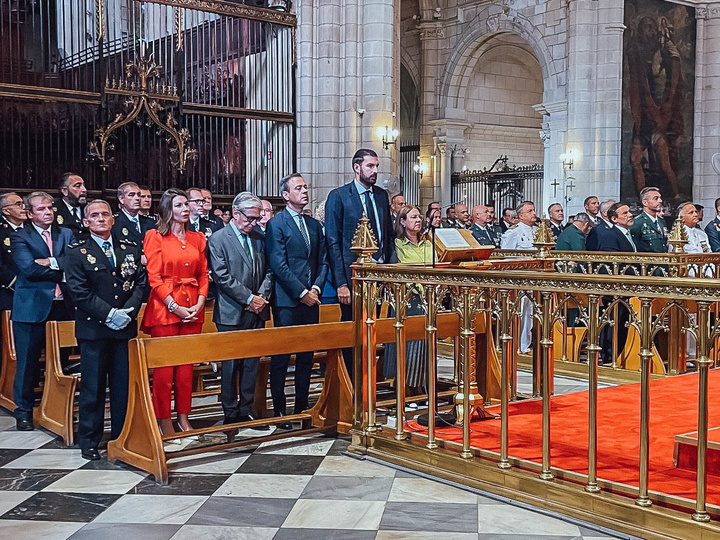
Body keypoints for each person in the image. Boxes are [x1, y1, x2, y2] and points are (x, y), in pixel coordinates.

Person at [64, 200, 146, 460]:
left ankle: (121, 437)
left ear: (113, 219)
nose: (100, 219)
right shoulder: (76, 251)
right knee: (93, 387)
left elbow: (139, 284)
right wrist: (110, 314)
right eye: (94, 215)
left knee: (122, 387)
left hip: (124, 328)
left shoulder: (129, 248)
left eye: (105, 214)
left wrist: (127, 313)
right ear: (86, 222)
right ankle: (89, 439)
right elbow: (78, 292)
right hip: (94, 330)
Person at [140, 189, 209, 437]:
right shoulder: (155, 236)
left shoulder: (197, 237)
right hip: (165, 308)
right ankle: (163, 418)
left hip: (193, 305)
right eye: (179, 205)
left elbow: (203, 274)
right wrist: (174, 306)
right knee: (165, 370)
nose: (185, 209)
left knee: (186, 367)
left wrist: (200, 302)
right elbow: (154, 277)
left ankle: (183, 416)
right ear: (168, 209)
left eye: (186, 204)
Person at [325, 148, 395, 376]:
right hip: (352, 278)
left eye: (376, 166)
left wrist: (389, 270)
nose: (375, 171)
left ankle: (369, 379)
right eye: (370, 166)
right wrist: (341, 283)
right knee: (353, 331)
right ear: (357, 167)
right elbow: (334, 242)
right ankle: (352, 382)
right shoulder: (339, 196)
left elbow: (388, 236)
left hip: (378, 276)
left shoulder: (381, 195)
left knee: (373, 330)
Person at [266, 174, 328, 422]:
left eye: (305, 187)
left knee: (306, 357)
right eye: (298, 188)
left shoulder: (313, 225)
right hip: (287, 301)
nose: (304, 191)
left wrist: (315, 289)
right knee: (281, 357)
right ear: (285, 195)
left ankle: (302, 407)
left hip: (312, 299)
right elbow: (278, 264)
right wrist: (301, 293)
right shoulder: (277, 224)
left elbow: (322, 260)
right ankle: (280, 410)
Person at [11, 192, 74, 430]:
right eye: (41, 209)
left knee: (62, 362)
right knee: (28, 363)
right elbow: (28, 269)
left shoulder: (65, 233)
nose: (48, 212)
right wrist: (61, 266)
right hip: (32, 308)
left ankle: (58, 408)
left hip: (62, 307)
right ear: (29, 214)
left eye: (50, 208)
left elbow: (75, 262)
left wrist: (51, 262)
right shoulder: (20, 236)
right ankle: (24, 411)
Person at [208, 192, 271, 426]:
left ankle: (246, 408)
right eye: (250, 218)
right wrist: (248, 298)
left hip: (258, 309)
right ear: (235, 214)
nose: (253, 223)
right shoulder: (218, 239)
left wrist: (261, 297)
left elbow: (269, 271)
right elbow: (222, 277)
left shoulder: (259, 237)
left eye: (256, 219)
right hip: (231, 310)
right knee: (231, 365)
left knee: (251, 362)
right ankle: (230, 410)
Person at [384, 205, 431, 391]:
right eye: (413, 217)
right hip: (408, 297)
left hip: (428, 297)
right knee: (408, 343)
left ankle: (422, 383)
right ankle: (405, 385)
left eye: (419, 217)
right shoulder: (397, 244)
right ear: (403, 222)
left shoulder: (428, 243)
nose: (418, 220)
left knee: (424, 342)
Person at [596, 202, 636, 364]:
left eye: (629, 211)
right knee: (613, 322)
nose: (630, 215)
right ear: (614, 219)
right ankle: (610, 356)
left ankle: (621, 354)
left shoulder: (627, 233)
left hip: (628, 286)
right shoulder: (610, 235)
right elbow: (611, 262)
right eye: (625, 213)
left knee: (623, 321)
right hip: (616, 287)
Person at [501, 201, 537, 354]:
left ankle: (525, 345)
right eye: (530, 211)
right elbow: (506, 254)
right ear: (521, 215)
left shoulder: (538, 231)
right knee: (520, 312)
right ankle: (515, 344)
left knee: (530, 313)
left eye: (534, 210)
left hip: (534, 278)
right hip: (519, 278)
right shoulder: (514, 231)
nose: (534, 213)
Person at [112, 182, 157, 256]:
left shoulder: (151, 222)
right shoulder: (114, 223)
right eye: (132, 195)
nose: (137, 198)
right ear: (121, 199)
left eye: (139, 195)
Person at [0, 193, 26, 312]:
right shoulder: (2, 232)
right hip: (10, 291)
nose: (24, 207)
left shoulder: (33, 228)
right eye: (18, 204)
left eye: (23, 203)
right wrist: (19, 283)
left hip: (39, 290)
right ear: (6, 211)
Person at [630, 187, 667, 253]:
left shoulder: (661, 221)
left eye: (660, 198)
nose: (660, 201)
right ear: (645, 202)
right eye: (656, 198)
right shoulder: (637, 223)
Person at [55, 173, 88, 239]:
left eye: (84, 186)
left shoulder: (89, 209)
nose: (84, 190)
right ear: (65, 191)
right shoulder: (54, 210)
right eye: (78, 186)